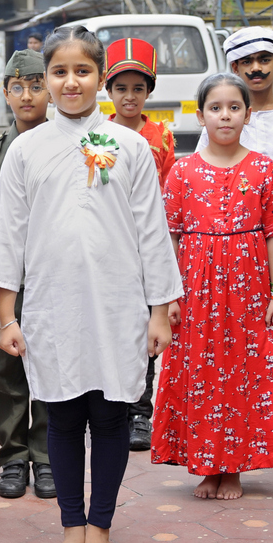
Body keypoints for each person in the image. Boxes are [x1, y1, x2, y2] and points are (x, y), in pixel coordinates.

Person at [0, 26, 183, 543]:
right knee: (63, 419)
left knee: (111, 418)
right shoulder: (26, 150)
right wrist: (7, 313)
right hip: (52, 308)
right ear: (44, 78)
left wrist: (159, 310)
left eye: (82, 71)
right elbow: (11, 236)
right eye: (59, 71)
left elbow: (153, 232)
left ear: (100, 77)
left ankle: (101, 526)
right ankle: (71, 524)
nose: (70, 82)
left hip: (119, 306)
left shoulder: (132, 146)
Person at [152, 72, 273, 500]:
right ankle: (204, 464)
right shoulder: (181, 172)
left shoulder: (264, 169)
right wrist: (168, 297)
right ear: (200, 116)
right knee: (199, 374)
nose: (225, 115)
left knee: (244, 377)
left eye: (234, 107)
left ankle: (233, 469)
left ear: (248, 115)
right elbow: (171, 240)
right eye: (215, 108)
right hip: (194, 293)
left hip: (249, 294)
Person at [195, 26, 273, 390]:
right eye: (246, 61)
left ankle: (271, 416)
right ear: (234, 66)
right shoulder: (221, 117)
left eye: (264, 59)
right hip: (227, 250)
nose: (256, 69)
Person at [0, 48, 55, 499]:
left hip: (50, 277)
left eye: (35, 85)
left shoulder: (64, 144)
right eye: (17, 87)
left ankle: (46, 457)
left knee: (48, 368)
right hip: (5, 281)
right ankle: (13, 457)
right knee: (3, 369)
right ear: (5, 92)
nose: (27, 96)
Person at [103, 37, 177, 451]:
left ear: (149, 91)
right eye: (120, 88)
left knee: (144, 330)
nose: (129, 97)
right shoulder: (98, 134)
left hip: (146, 246)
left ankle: (140, 413)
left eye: (138, 88)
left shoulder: (161, 135)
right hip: (109, 244)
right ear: (108, 91)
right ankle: (108, 405)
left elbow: (165, 195)